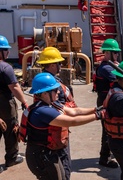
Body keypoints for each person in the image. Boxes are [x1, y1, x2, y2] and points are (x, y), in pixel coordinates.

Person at [21, 72, 106, 180]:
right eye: (55, 90)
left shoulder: (51, 104)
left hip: (48, 153)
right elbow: (72, 121)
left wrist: (96, 109)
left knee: (62, 176)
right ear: (44, 93)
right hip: (40, 157)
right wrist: (98, 116)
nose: (58, 92)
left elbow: (75, 112)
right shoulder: (43, 111)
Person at [36, 46, 77, 180]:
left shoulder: (41, 80)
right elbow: (59, 110)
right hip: (57, 132)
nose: (60, 65)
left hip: (47, 132)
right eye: (59, 63)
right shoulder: (53, 85)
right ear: (53, 65)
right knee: (64, 165)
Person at [93, 38, 121, 168]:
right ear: (107, 53)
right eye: (114, 53)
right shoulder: (106, 68)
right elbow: (119, 79)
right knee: (108, 129)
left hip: (108, 99)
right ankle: (104, 157)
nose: (116, 55)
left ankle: (110, 153)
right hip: (105, 101)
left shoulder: (110, 66)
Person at [0, 35, 26, 168]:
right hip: (4, 104)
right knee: (10, 130)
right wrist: (24, 101)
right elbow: (15, 87)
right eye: (6, 50)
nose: (8, 52)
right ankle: (12, 158)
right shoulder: (5, 68)